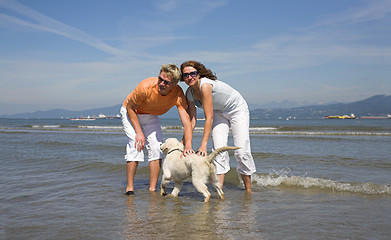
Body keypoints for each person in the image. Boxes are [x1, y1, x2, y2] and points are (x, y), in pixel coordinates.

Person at [180, 60, 256, 192]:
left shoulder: (205, 85)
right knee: (219, 150)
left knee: (241, 151)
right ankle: (219, 192)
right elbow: (192, 121)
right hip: (218, 112)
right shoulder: (189, 94)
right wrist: (185, 143)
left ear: (199, 74)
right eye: (185, 75)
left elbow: (208, 118)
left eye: (192, 73)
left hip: (236, 109)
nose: (189, 77)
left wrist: (203, 145)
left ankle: (248, 190)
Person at [121, 64, 194, 195]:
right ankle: (130, 188)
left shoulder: (177, 94)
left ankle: (153, 189)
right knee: (135, 145)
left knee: (156, 148)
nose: (161, 83)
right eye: (160, 79)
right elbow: (130, 108)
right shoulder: (145, 87)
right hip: (131, 111)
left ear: (174, 84)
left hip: (150, 114)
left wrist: (187, 145)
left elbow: (187, 123)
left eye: (166, 82)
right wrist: (139, 132)